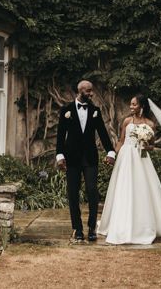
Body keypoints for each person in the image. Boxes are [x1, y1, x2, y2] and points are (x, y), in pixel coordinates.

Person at [98, 93, 161, 245]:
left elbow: (151, 146)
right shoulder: (127, 121)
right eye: (130, 104)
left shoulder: (150, 124)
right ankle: (122, 224)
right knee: (124, 189)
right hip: (125, 159)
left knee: (143, 189)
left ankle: (143, 225)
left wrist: (145, 144)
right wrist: (113, 155)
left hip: (141, 159)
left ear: (141, 106)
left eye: (134, 104)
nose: (131, 107)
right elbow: (121, 141)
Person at [56, 80, 115, 242]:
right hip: (71, 158)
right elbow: (60, 135)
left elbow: (103, 132)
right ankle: (77, 228)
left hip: (90, 157)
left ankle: (91, 228)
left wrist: (110, 151)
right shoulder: (66, 110)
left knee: (92, 191)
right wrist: (60, 156)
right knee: (73, 193)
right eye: (88, 91)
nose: (91, 94)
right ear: (80, 91)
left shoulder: (95, 110)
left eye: (91, 91)